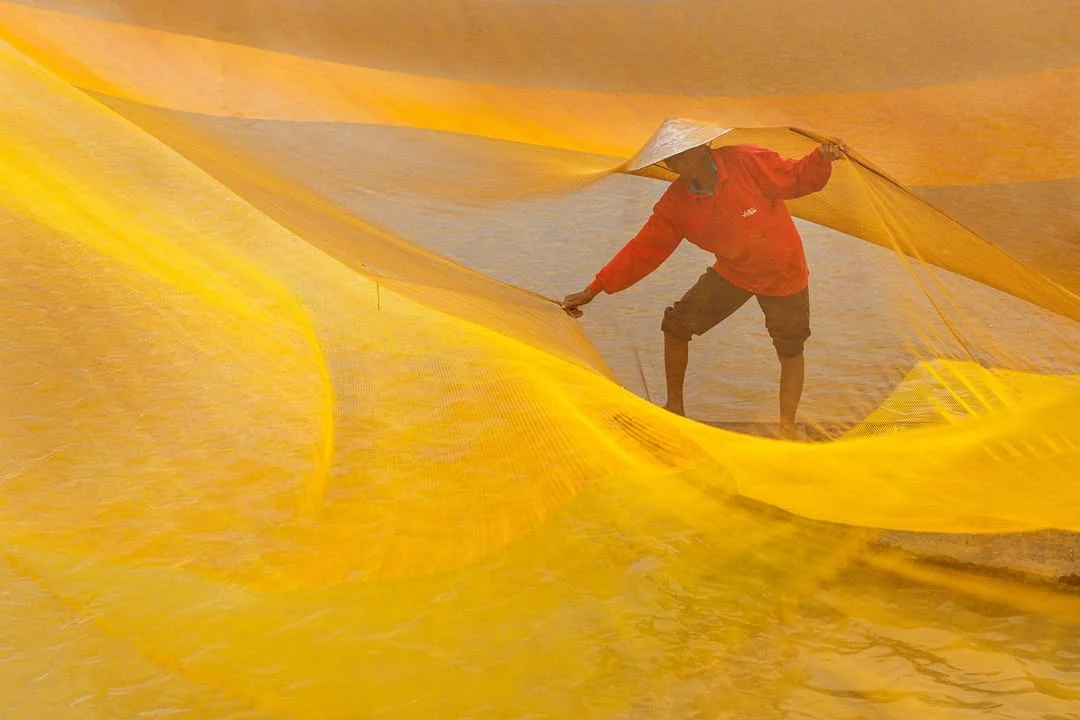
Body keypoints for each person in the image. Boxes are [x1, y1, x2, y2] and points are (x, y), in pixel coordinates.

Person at [562, 139, 845, 439]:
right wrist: (594, 289)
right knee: (676, 326)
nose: (679, 165)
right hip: (735, 272)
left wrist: (820, 157)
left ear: (703, 147)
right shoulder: (676, 204)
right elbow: (642, 251)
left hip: (784, 271)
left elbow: (796, 176)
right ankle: (674, 407)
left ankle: (786, 428)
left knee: (790, 351)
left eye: (684, 155)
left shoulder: (745, 160)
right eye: (672, 161)